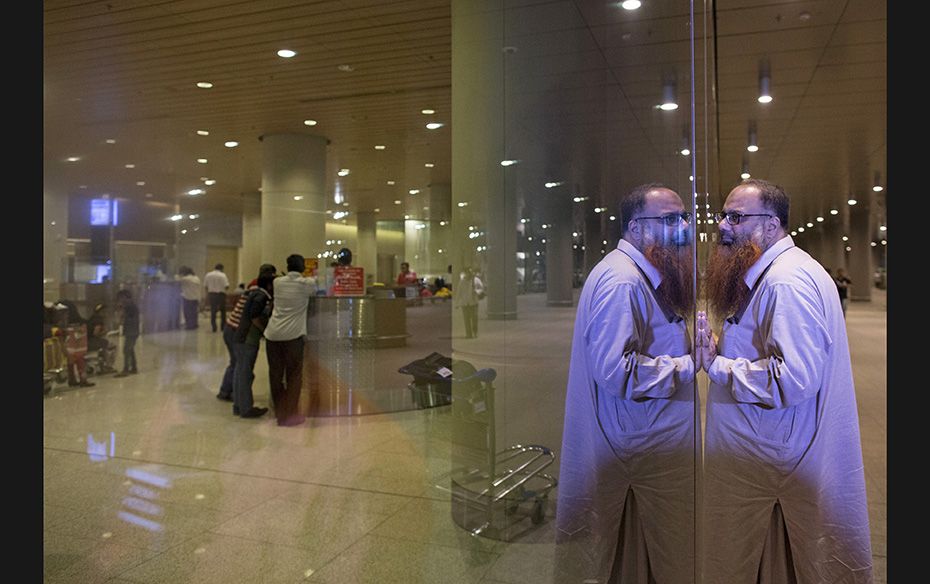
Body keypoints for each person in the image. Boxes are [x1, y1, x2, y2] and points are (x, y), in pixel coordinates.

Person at [696, 178, 872, 582]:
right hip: (769, 458)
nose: (723, 226)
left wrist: (717, 365)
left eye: (736, 217)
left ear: (771, 225)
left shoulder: (785, 281)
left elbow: (791, 379)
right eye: (725, 215)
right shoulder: (775, 273)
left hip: (772, 464)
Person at [553, 183, 696, 583]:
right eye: (668, 220)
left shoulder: (643, 275)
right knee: (629, 556)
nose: (681, 229)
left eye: (682, 218)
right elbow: (618, 372)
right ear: (636, 228)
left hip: (645, 446)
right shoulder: (623, 282)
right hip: (635, 450)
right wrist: (688, 364)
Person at [264, 254, 317, 426]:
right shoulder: (307, 284)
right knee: (294, 376)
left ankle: (280, 413)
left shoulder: (277, 282)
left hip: (272, 335)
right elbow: (315, 291)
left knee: (276, 375)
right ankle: (291, 414)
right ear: (302, 267)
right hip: (293, 337)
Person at [217, 264, 276, 404]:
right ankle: (233, 395)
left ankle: (230, 393)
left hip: (231, 328)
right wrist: (264, 330)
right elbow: (254, 314)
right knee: (240, 366)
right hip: (237, 330)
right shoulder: (260, 291)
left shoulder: (253, 286)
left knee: (236, 364)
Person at [230, 271, 273, 419]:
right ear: (268, 284)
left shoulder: (253, 293)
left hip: (240, 338)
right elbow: (254, 317)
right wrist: (264, 330)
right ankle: (246, 408)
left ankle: (238, 405)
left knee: (239, 372)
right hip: (247, 340)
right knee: (245, 374)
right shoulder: (260, 296)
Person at [113, 289, 140, 377]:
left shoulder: (129, 306)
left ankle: (126, 369)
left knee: (126, 349)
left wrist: (121, 312)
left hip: (131, 331)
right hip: (131, 330)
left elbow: (125, 318)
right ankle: (133, 367)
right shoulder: (130, 305)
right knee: (130, 349)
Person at [453, 267, 484, 338]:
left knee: (474, 318)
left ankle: (475, 332)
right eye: (467, 273)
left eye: (470, 273)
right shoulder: (462, 281)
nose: (469, 274)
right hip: (465, 303)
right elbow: (458, 292)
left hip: (474, 303)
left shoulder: (476, 280)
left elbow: (481, 288)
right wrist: (457, 303)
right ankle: (468, 334)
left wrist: (477, 291)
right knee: (466, 320)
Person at [203, 262, 230, 332]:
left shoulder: (208, 275)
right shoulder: (223, 275)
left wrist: (207, 294)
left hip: (211, 294)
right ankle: (222, 327)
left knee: (213, 310)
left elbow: (205, 286)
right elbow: (226, 286)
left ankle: (214, 327)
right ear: (221, 269)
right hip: (221, 295)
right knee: (223, 311)